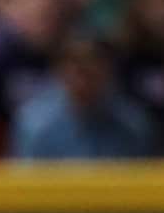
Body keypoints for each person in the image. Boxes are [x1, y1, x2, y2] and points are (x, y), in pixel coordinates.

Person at [11, 34, 154, 159]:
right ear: (59, 71)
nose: (83, 81)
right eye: (77, 70)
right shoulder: (34, 124)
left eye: (92, 69)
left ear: (109, 71)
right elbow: (24, 183)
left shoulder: (134, 124)